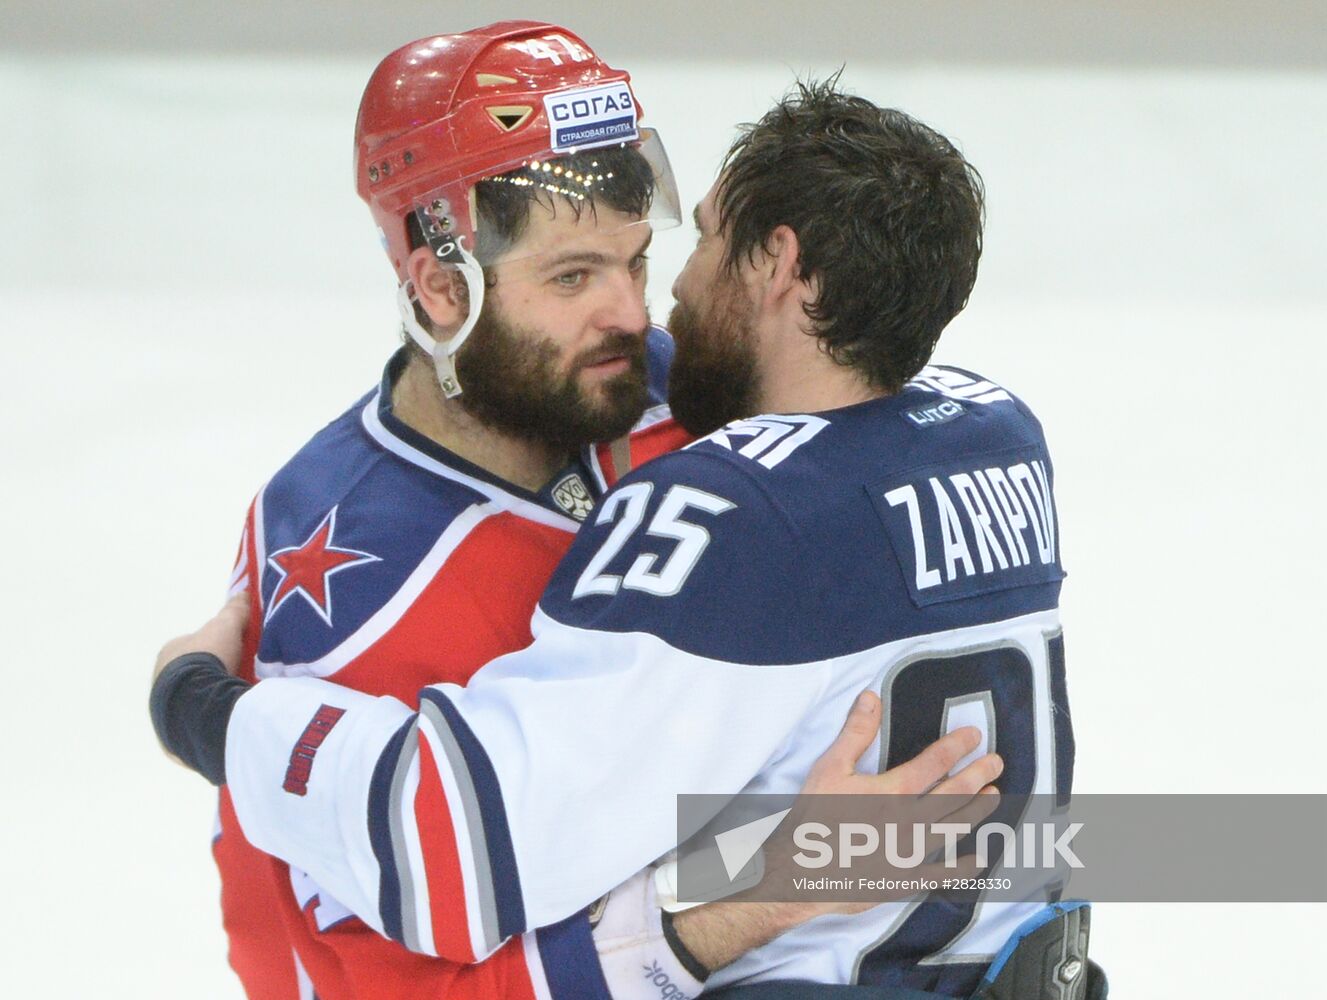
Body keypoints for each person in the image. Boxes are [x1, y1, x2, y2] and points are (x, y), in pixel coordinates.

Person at [156, 77, 1101, 997]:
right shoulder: (995, 426)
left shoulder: (714, 473)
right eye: (573, 275)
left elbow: (448, 843)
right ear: (442, 288)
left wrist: (192, 701)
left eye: (644, 259)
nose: (641, 312)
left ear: (776, 262)